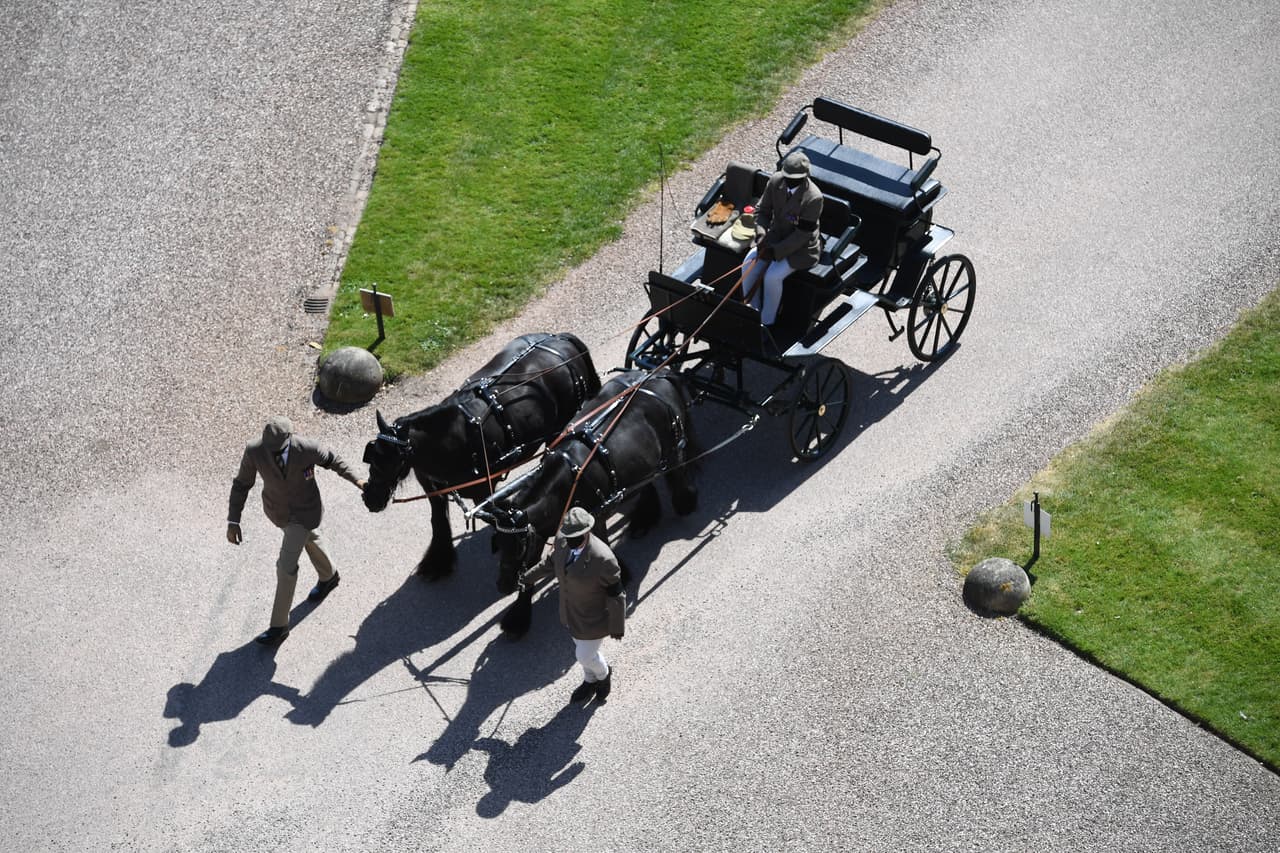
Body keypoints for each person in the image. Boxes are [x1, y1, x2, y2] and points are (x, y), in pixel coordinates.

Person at [226, 416, 366, 644]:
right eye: (268, 448)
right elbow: (241, 484)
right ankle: (329, 576)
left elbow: (335, 462)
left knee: (285, 567)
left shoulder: (308, 448)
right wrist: (233, 521)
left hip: (305, 512)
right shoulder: (254, 451)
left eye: (276, 449)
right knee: (308, 538)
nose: (270, 453)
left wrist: (358, 481)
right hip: (278, 513)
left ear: (290, 437)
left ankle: (279, 627)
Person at [521, 507, 626, 703]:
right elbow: (550, 564)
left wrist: (617, 626)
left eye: (575, 536)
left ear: (587, 532)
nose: (569, 541)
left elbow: (616, 595)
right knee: (585, 652)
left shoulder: (604, 558)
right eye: (567, 535)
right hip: (569, 614)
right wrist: (527, 578)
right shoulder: (562, 540)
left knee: (584, 656)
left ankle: (604, 675)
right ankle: (590, 680)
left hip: (594, 619)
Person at [740, 150, 824, 327]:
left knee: (772, 276)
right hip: (774, 239)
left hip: (801, 250)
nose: (790, 181)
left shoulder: (814, 198)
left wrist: (775, 252)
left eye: (795, 178)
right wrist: (761, 232)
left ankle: (766, 322)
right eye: (787, 176)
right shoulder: (775, 181)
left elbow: (802, 234)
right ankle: (751, 313)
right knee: (748, 263)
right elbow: (762, 211)